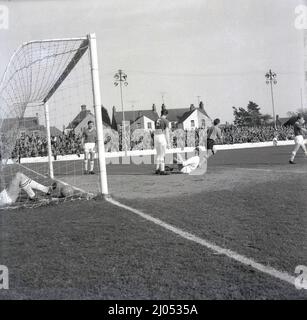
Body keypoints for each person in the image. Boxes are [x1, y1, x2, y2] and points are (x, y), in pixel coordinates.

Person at [154, 109, 170, 175]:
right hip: (161, 137)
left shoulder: (156, 120)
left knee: (158, 154)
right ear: (166, 115)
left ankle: (157, 169)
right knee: (162, 154)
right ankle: (162, 170)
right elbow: (167, 132)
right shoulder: (166, 121)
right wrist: (168, 143)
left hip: (156, 137)